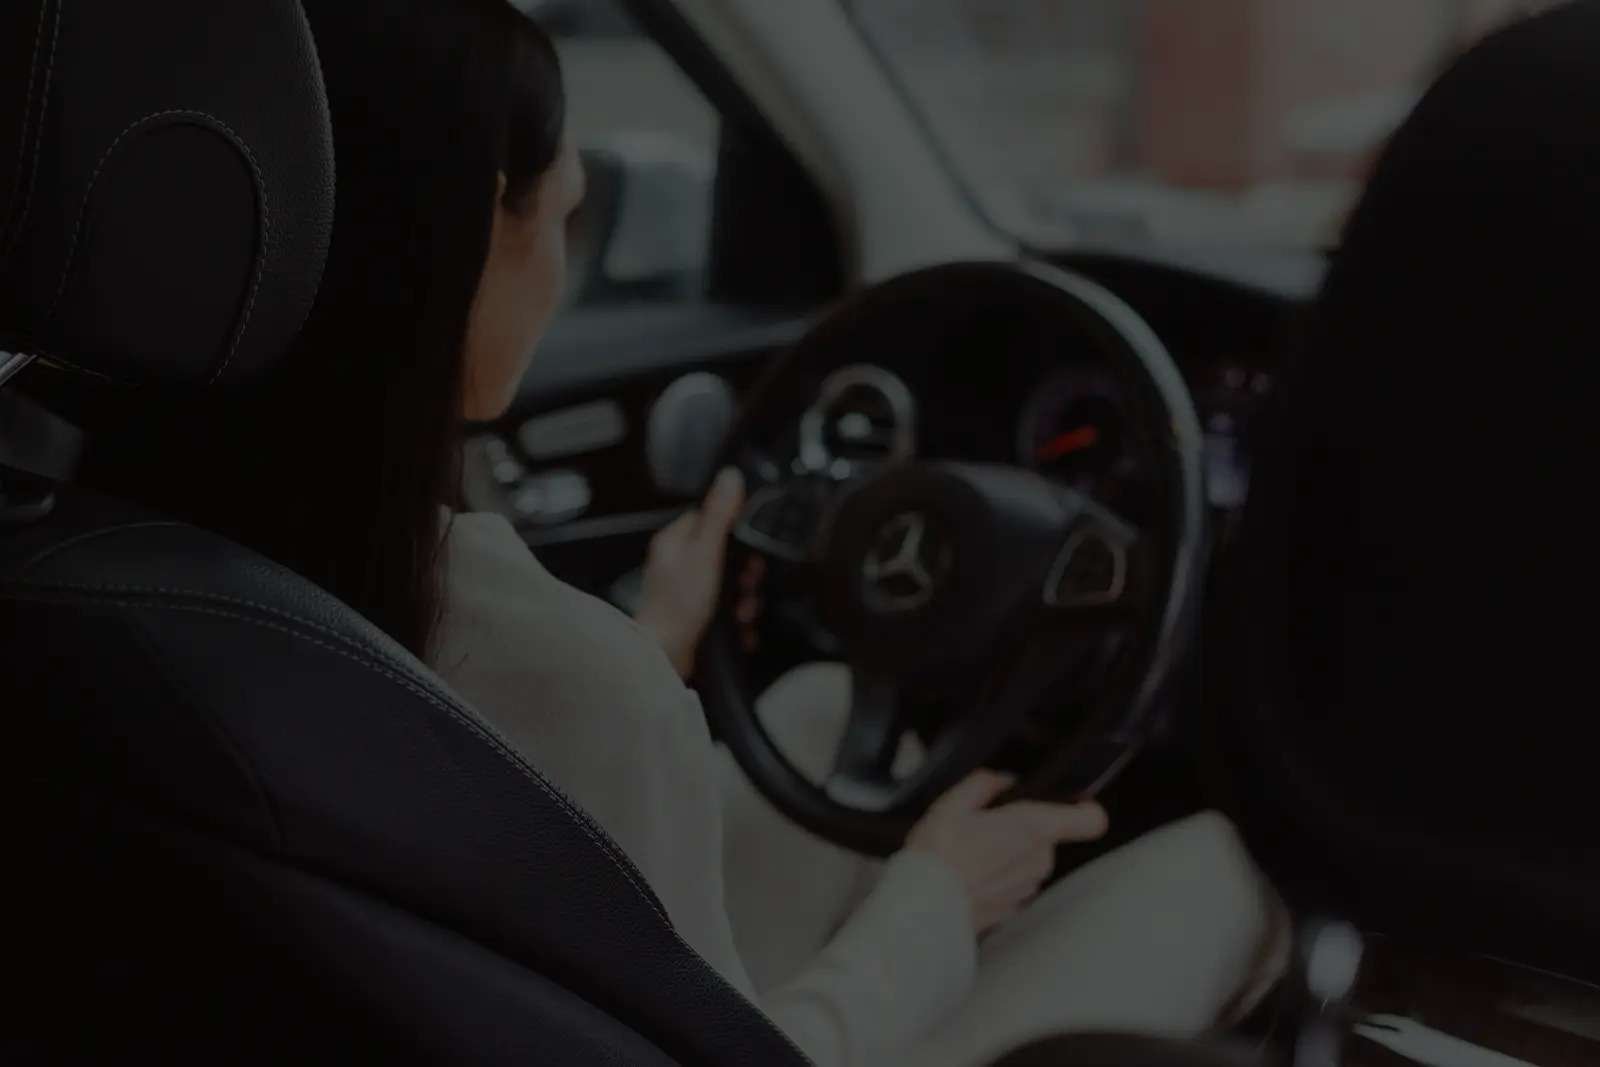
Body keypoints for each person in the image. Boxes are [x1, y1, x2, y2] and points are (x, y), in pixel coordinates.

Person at [76, 1, 1284, 1063]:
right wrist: (936, 899)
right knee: (1228, 871)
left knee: (816, 704)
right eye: (567, 212)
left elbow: (467, 780)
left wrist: (648, 636)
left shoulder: (89, 552)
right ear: (468, 246)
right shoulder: (576, 679)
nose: (565, 257)